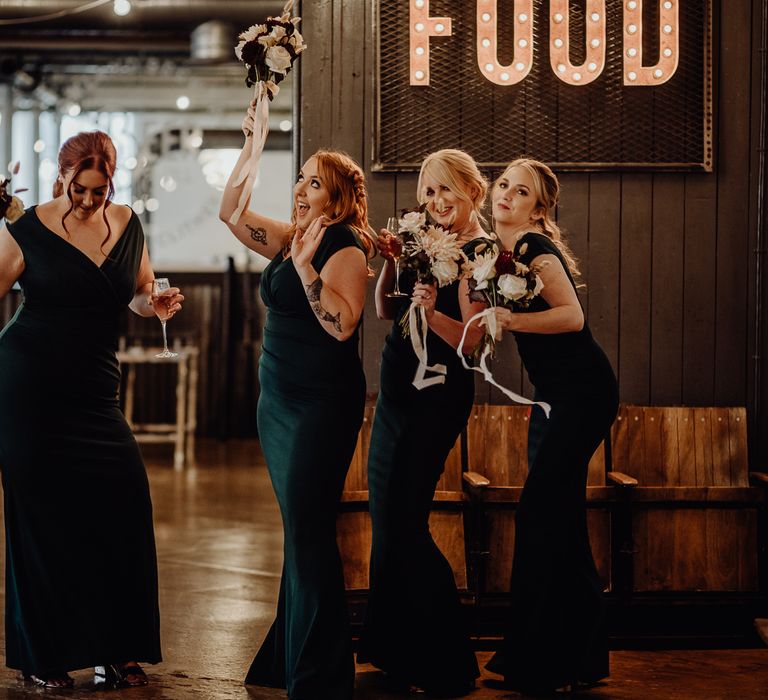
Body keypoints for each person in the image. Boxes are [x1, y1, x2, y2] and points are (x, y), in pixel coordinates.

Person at [0, 130, 181, 688]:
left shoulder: (127, 223)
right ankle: (43, 658)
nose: (87, 201)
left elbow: (137, 290)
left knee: (123, 509)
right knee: (44, 524)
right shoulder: (26, 229)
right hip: (29, 387)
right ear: (64, 178)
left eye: (98, 192)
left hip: (97, 391)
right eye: (79, 190)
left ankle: (116, 647)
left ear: (112, 183)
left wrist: (155, 305)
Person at [220, 104, 375, 699]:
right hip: (277, 399)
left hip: (320, 406)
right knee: (298, 528)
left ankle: (321, 673)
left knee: (309, 531)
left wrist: (309, 270)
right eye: (301, 177)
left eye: (314, 181)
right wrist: (254, 146)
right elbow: (229, 212)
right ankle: (291, 658)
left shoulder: (344, 246)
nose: (302, 189)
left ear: (337, 197)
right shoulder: (289, 238)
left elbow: (340, 324)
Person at [483, 158, 618, 693]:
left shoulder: (534, 248)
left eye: (521, 192)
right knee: (559, 519)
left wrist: (510, 318)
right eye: (502, 186)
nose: (506, 197)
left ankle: (540, 661)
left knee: (539, 515)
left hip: (582, 396)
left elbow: (573, 317)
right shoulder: (506, 251)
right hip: (555, 398)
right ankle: (579, 658)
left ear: (539, 208)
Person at [357, 149, 487, 696]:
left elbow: (473, 341)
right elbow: (388, 310)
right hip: (396, 386)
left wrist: (431, 310)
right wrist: (392, 261)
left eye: (445, 193)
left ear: (472, 192)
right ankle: (394, 650)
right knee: (385, 515)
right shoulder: (419, 238)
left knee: (406, 521)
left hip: (436, 394)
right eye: (428, 193)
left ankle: (446, 658)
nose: (434, 204)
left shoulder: (481, 252)